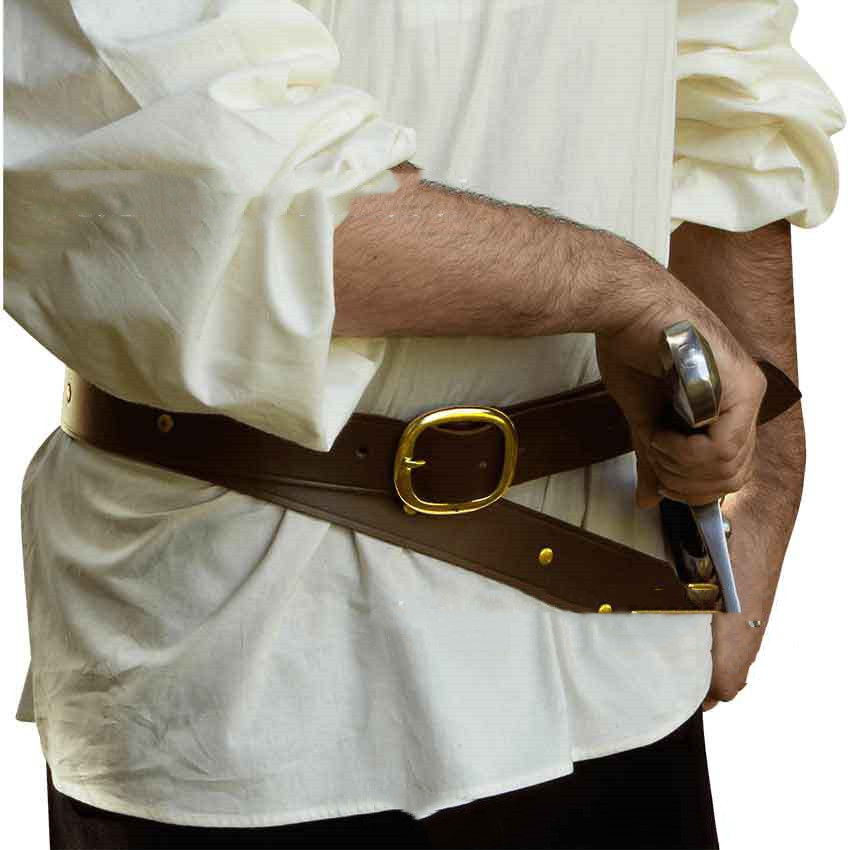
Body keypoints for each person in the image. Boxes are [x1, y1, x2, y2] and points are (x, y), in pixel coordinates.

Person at [3, 1, 843, 848]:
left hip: (616, 642)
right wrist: (618, 287)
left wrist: (768, 470)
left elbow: (723, 66)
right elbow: (188, 165)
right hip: (253, 663)